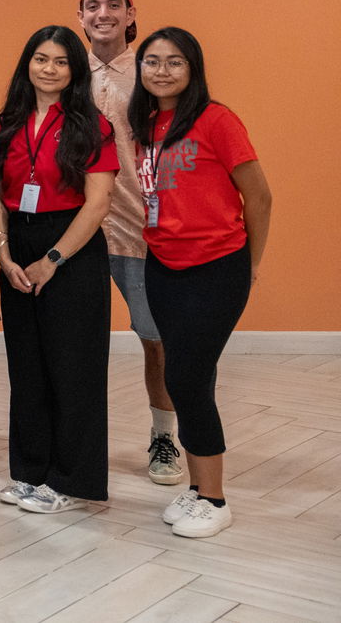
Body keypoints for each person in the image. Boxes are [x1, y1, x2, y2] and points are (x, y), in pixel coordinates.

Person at [130, 27, 272, 539]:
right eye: (152, 61)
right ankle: (195, 490)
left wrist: (250, 265)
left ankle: (214, 498)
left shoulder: (217, 120)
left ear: (193, 69)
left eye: (174, 62)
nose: (162, 70)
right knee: (185, 376)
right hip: (162, 263)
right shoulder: (146, 122)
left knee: (187, 376)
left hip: (217, 265)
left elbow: (259, 196)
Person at [0, 26, 117, 515]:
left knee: (73, 369)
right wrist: (3, 254)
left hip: (71, 250)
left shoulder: (92, 124)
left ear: (75, 70)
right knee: (27, 368)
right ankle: (29, 472)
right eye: (40, 58)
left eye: (61, 61)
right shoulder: (9, 121)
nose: (49, 68)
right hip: (16, 244)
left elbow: (98, 202)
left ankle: (70, 479)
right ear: (28, 63)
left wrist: (53, 260)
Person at [79, 0, 181, 484]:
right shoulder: (65, 72)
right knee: (76, 345)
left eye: (114, 4)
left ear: (130, 15)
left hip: (141, 231)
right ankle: (75, 442)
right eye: (93, 5)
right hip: (77, 235)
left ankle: (165, 436)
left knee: (156, 339)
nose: (104, 13)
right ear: (81, 18)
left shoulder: (152, 73)